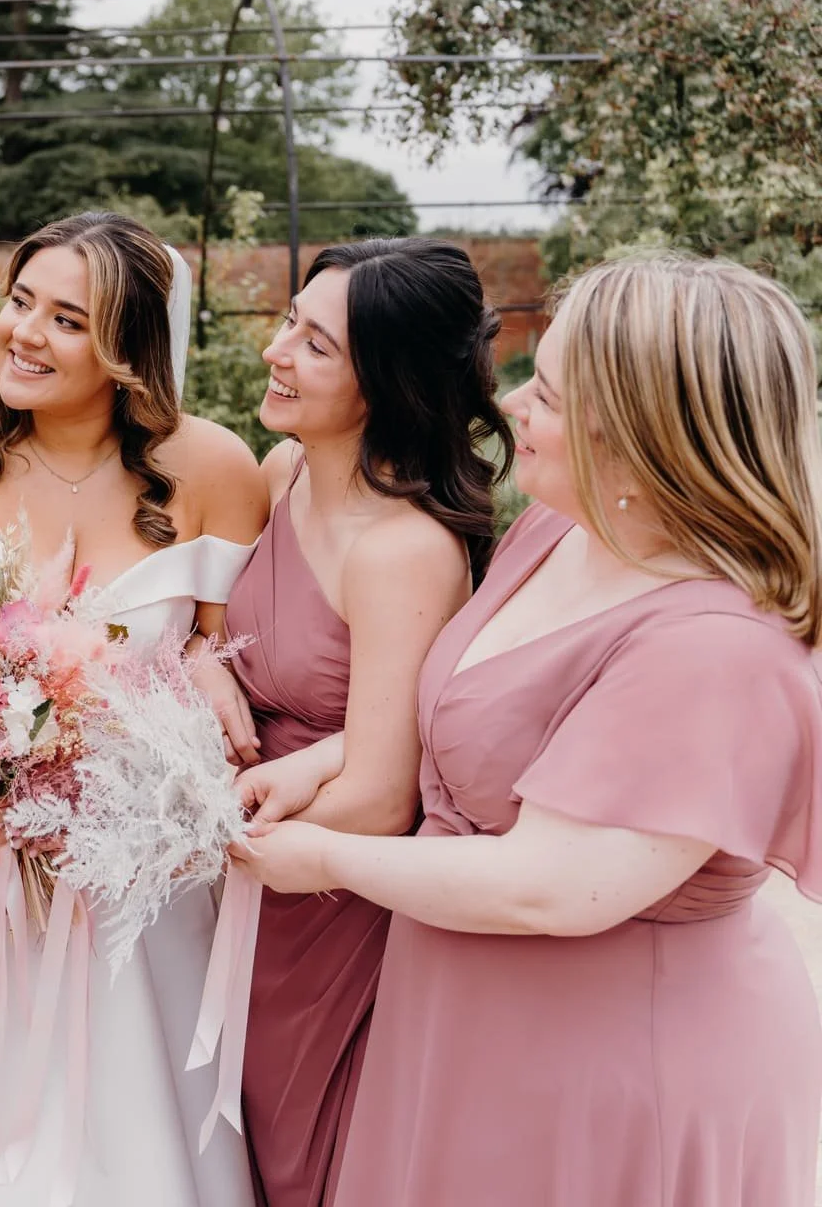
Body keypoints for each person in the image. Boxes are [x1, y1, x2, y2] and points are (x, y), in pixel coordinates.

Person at [235, 253, 822, 1207]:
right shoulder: (559, 532)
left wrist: (324, 860)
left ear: (636, 434)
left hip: (610, 1066)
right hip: (460, 1025)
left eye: (543, 393)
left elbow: (551, 885)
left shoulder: (718, 646)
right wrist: (323, 762)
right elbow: (480, 707)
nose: (508, 404)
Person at [0, 211, 266, 1204]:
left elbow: (225, 644)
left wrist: (207, 664)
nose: (22, 332)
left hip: (134, 867)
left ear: (130, 350)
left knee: (130, 1116)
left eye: (66, 318)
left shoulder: (215, 469)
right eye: (21, 299)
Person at [195, 238, 510, 1206]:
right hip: (249, 864)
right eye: (290, 322)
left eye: (317, 344)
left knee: (314, 1146)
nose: (278, 351)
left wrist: (191, 841)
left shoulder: (404, 549)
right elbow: (226, 630)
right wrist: (203, 661)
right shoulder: (283, 468)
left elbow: (380, 792)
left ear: (386, 379)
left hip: (330, 896)